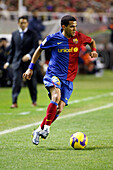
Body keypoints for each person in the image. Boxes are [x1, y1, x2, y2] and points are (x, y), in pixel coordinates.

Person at [23, 15, 98, 145]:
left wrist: (94, 51)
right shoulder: (53, 38)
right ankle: (46, 128)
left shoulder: (79, 37)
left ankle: (38, 130)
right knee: (56, 95)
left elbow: (91, 41)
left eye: (75, 26)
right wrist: (30, 68)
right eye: (72, 26)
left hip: (68, 79)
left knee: (59, 109)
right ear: (64, 27)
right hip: (53, 74)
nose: (75, 29)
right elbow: (39, 50)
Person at [4, 15, 38, 108]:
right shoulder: (14, 34)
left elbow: (35, 47)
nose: (23, 24)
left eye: (24, 22)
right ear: (18, 23)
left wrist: (29, 55)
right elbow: (13, 49)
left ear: (27, 23)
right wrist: (8, 62)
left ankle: (34, 100)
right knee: (16, 82)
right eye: (21, 22)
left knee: (31, 83)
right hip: (17, 62)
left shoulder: (33, 34)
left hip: (29, 63)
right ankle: (14, 102)